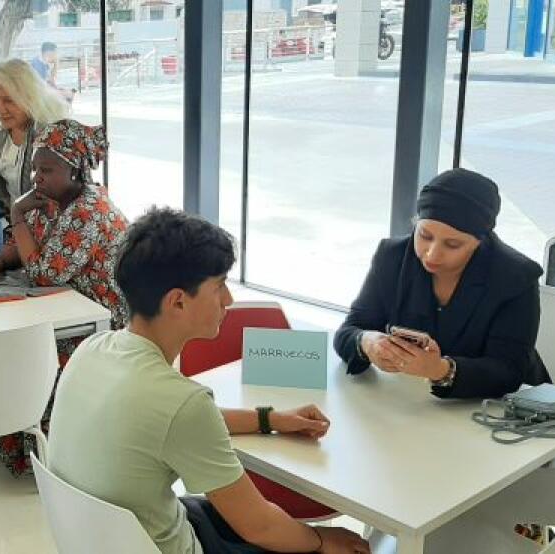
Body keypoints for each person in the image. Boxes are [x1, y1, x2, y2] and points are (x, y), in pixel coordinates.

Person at [48, 208, 371, 554]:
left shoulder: (91, 350)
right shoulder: (181, 402)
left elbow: (175, 423)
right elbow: (258, 525)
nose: (229, 300)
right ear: (178, 301)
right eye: (219, 286)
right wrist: (323, 540)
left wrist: (270, 419)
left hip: (101, 539)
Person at [0, 119, 129, 474]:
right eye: (34, 168)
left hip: (98, 323)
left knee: (23, 349)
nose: (36, 177)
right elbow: (23, 245)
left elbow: (45, 273)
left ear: (76, 169)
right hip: (65, 307)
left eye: (46, 169)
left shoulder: (88, 210)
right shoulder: (52, 200)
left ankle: (44, 456)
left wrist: (16, 213)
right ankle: (5, 432)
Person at [334, 168, 550, 399]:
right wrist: (367, 342)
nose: (432, 255)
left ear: (479, 240)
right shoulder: (392, 256)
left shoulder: (515, 276)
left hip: (506, 413)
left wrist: (441, 370)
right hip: (416, 405)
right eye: (425, 236)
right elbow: (350, 329)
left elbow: (509, 370)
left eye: (453, 244)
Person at [0, 59, 71, 214]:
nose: (0, 109)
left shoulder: (52, 135)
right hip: (14, 225)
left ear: (29, 97)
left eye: (9, 100)